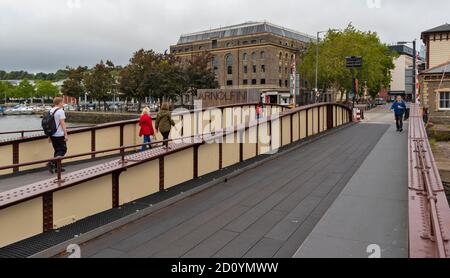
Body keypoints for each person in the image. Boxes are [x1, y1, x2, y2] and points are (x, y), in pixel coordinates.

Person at [47, 97, 68, 173]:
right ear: (59, 103)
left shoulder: (50, 110)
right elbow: (62, 124)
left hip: (52, 134)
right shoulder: (60, 111)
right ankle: (52, 162)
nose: (63, 104)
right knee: (63, 150)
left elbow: (48, 124)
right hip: (59, 134)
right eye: (63, 103)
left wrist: (49, 136)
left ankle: (57, 168)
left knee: (57, 150)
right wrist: (66, 134)